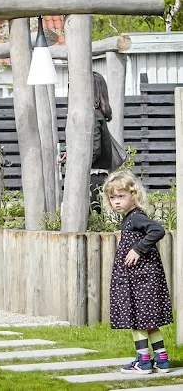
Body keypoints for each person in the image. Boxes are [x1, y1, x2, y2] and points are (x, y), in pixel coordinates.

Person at [102, 170, 172, 374]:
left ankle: (143, 362)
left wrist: (137, 249)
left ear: (134, 195)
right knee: (148, 320)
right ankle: (162, 360)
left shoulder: (136, 218)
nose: (116, 202)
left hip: (141, 280)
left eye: (121, 196)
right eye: (112, 197)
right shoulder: (130, 219)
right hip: (140, 278)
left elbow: (158, 230)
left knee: (137, 320)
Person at [90, 71, 114, 213]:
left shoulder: (93, 115)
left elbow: (94, 149)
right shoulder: (99, 115)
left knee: (94, 215)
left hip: (94, 176)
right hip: (100, 175)